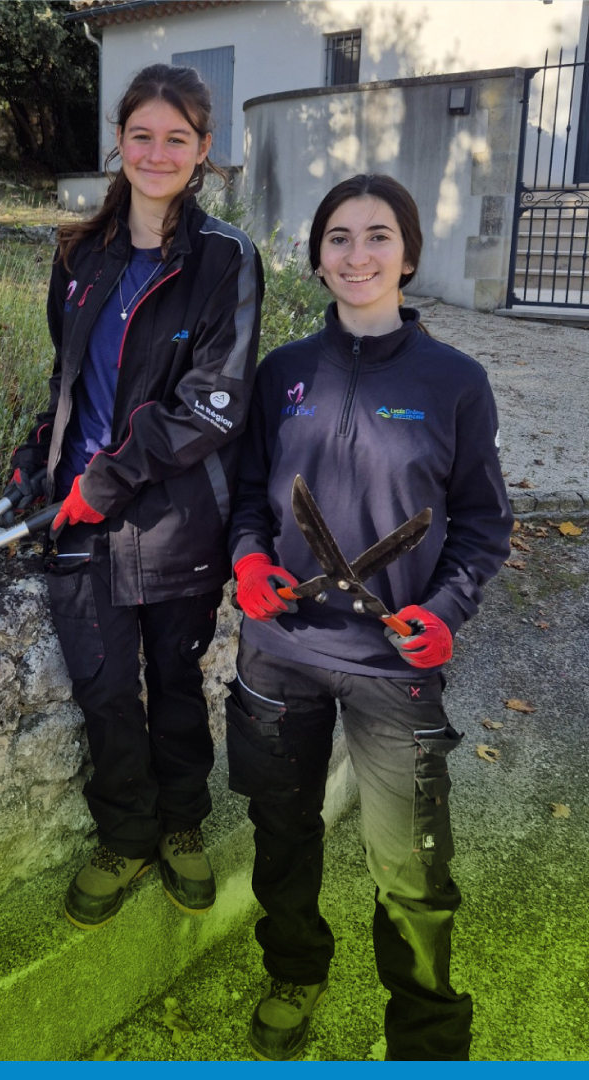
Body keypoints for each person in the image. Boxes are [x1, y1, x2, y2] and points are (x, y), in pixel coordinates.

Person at [226, 173, 512, 1060]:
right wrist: (249, 560)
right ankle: (294, 970)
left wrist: (447, 609)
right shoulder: (281, 374)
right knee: (281, 831)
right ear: (317, 258)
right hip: (279, 652)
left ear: (409, 254)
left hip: (394, 667)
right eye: (339, 238)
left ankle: (426, 1039)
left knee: (412, 869)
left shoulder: (456, 382)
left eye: (378, 235)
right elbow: (247, 494)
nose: (358, 255)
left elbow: (483, 522)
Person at [9, 64, 263, 930]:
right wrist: (36, 462)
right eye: (142, 135)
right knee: (106, 690)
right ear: (119, 141)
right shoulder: (79, 254)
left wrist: (106, 480)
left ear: (203, 150)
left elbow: (215, 404)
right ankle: (125, 836)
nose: (158, 153)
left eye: (176, 139)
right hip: (79, 514)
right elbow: (67, 378)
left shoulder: (226, 260)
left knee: (176, 681)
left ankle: (183, 823)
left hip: (174, 515)